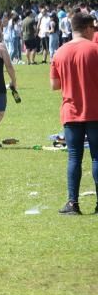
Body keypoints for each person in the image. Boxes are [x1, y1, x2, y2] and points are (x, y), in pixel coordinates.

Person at [49, 13, 98, 215]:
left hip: (71, 111)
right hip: (95, 110)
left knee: (74, 157)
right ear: (87, 28)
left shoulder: (60, 52)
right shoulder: (95, 50)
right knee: (97, 157)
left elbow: (54, 85)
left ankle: (72, 203)